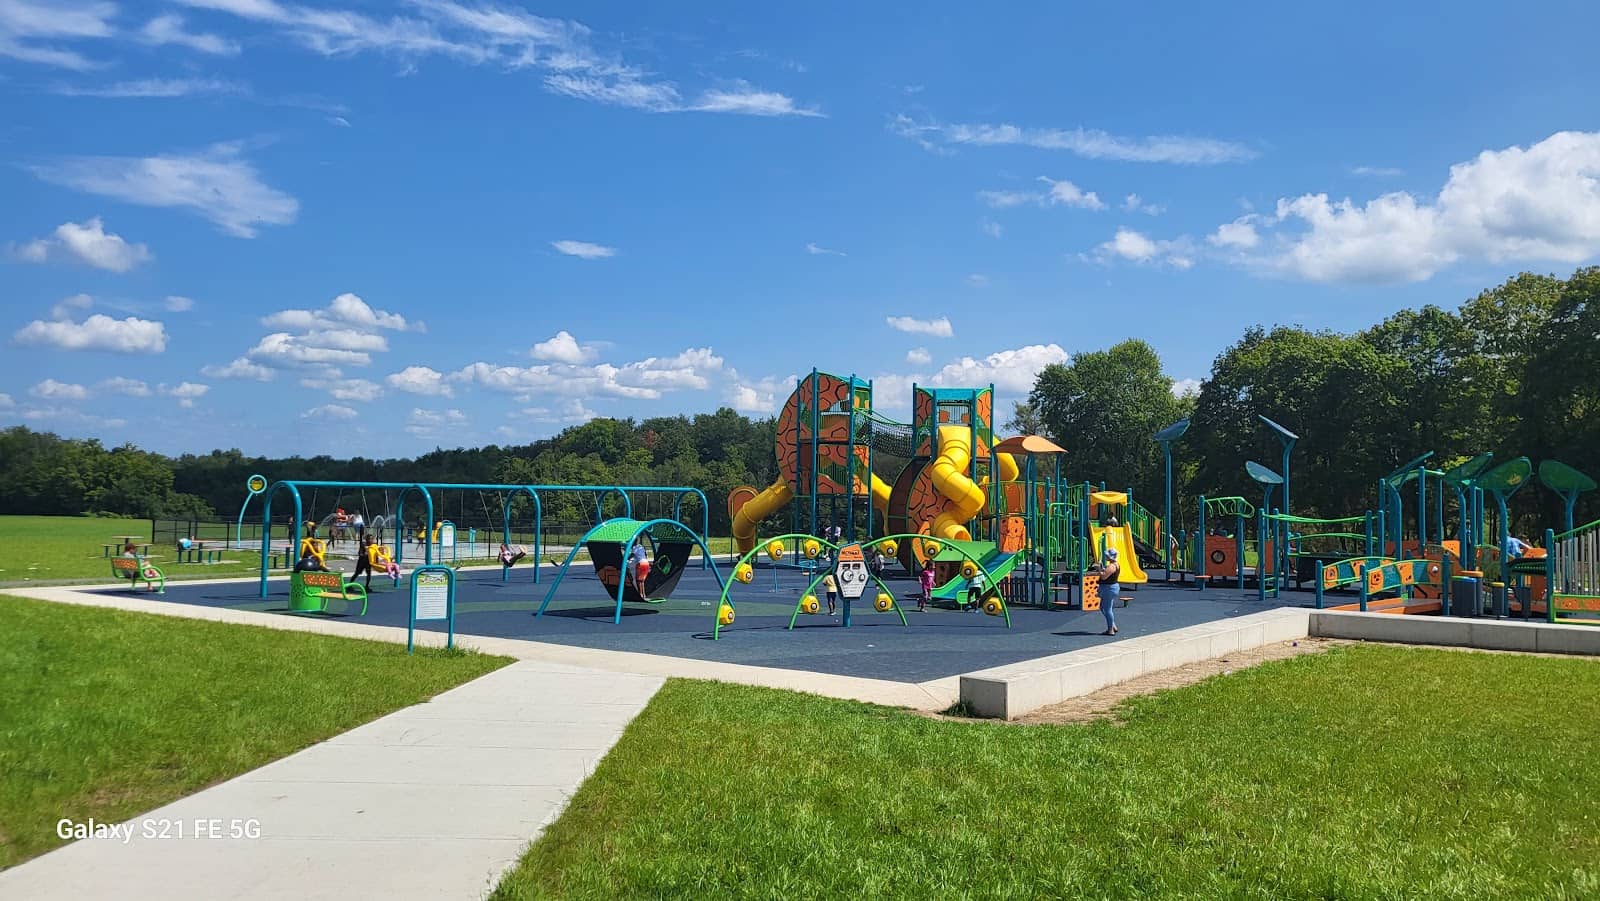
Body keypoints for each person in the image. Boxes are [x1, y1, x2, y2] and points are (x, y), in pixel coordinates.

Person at [1096, 547, 1122, 636]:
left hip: (1109, 588)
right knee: (1103, 607)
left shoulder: (1112, 566)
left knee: (1107, 609)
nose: (1106, 556)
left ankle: (1110, 629)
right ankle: (1112, 625)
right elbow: (1107, 573)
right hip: (1110, 588)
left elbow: (1104, 576)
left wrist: (1099, 569)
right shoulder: (1114, 564)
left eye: (1107, 555)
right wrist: (1102, 568)